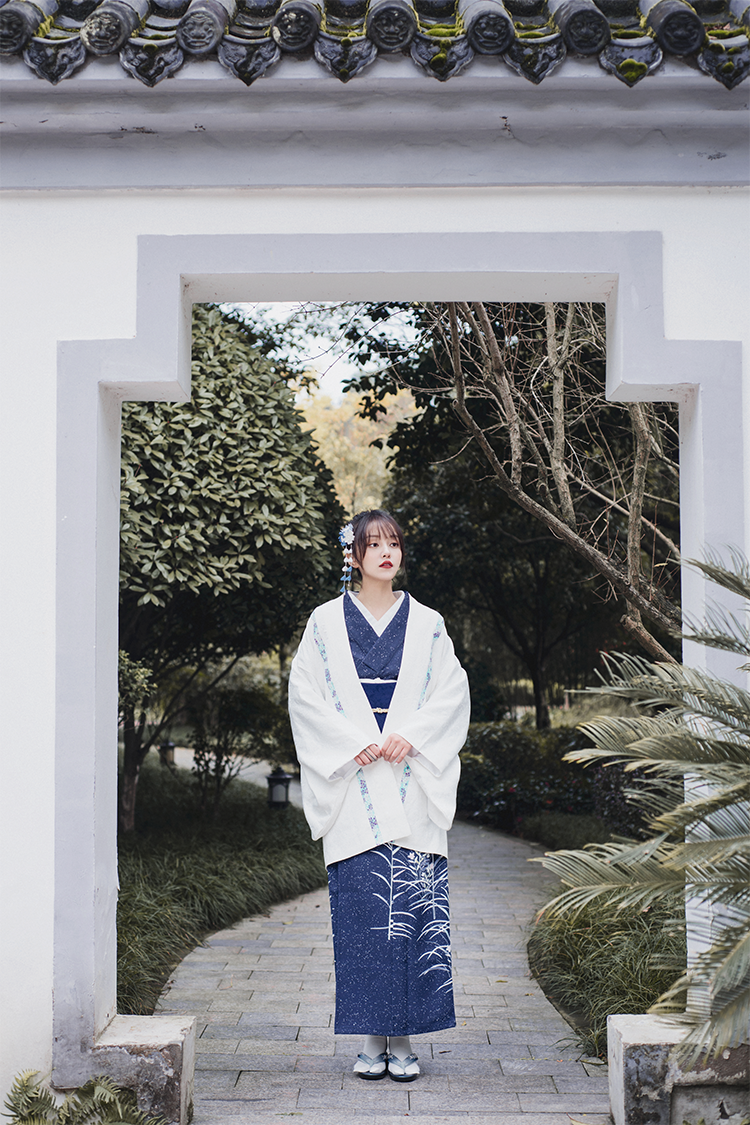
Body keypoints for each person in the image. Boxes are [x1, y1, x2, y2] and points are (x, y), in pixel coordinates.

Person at [288, 509, 470, 1084]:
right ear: (355, 556)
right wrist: (351, 742)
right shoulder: (323, 623)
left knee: (413, 914)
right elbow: (305, 695)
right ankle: (372, 1040)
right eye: (374, 544)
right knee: (366, 916)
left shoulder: (429, 623)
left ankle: (407, 1039)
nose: (386, 553)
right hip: (357, 779)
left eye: (394, 543)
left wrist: (410, 735)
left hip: (411, 776)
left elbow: (452, 692)